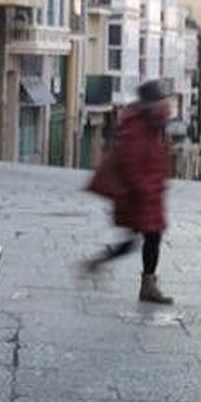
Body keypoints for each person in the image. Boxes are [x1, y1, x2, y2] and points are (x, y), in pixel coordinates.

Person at [81, 79, 174, 304]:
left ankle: (142, 282)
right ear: (151, 102)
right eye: (160, 100)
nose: (164, 106)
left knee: (145, 238)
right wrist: (144, 187)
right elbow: (131, 160)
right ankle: (145, 285)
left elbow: (154, 155)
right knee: (147, 238)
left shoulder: (152, 123)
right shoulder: (137, 125)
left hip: (147, 193)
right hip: (139, 195)